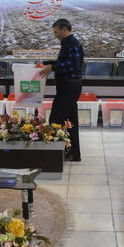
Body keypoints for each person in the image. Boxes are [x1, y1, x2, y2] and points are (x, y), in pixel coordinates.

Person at [38, 19, 84, 162]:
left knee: (56, 119)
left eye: (56, 32)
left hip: (69, 87)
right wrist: (46, 64)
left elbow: (73, 65)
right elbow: (63, 61)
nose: (55, 35)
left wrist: (51, 67)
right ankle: (73, 153)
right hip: (67, 86)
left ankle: (57, 153)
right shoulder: (67, 43)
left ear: (64, 29)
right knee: (69, 121)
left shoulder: (73, 44)